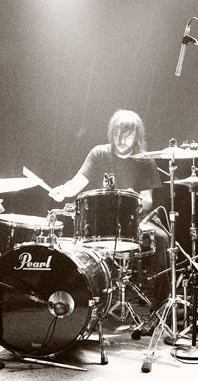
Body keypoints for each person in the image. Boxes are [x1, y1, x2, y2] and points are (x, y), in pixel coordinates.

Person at [48, 109, 170, 316]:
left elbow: (148, 200)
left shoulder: (145, 160)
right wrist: (63, 191)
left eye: (128, 135)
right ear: (112, 133)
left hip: (134, 220)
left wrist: (136, 199)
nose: (121, 140)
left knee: (162, 238)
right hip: (102, 220)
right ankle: (83, 303)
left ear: (136, 136)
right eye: (118, 134)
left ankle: (162, 305)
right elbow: (76, 183)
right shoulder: (99, 153)